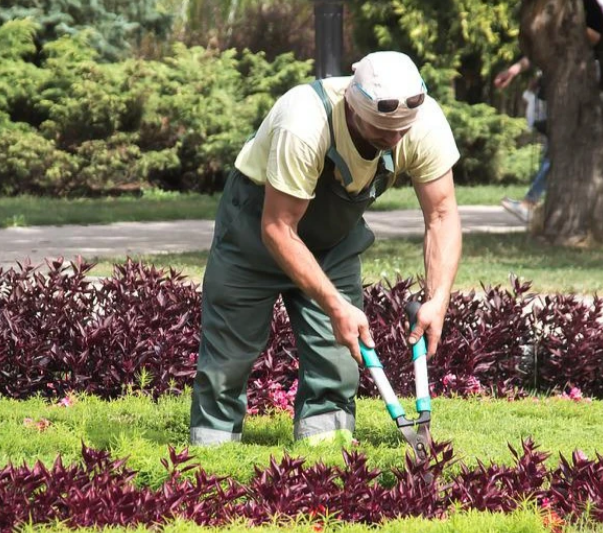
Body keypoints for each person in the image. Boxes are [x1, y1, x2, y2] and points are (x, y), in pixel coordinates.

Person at [189, 51, 462, 446]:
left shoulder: (422, 122)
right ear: (353, 107)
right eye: (383, 131)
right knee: (229, 358)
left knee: (337, 360)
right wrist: (335, 305)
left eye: (402, 131)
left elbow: (442, 214)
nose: (395, 140)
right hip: (256, 231)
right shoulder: (304, 122)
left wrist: (438, 298)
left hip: (333, 241)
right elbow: (278, 228)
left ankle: (325, 458)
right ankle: (212, 458)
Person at [497, 0, 603, 223]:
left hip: (590, 84)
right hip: (567, 86)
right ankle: (536, 203)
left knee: (560, 146)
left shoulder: (597, 7)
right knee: (557, 145)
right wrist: (515, 70)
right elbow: (547, 49)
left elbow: (600, 37)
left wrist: (571, 26)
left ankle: (531, 202)